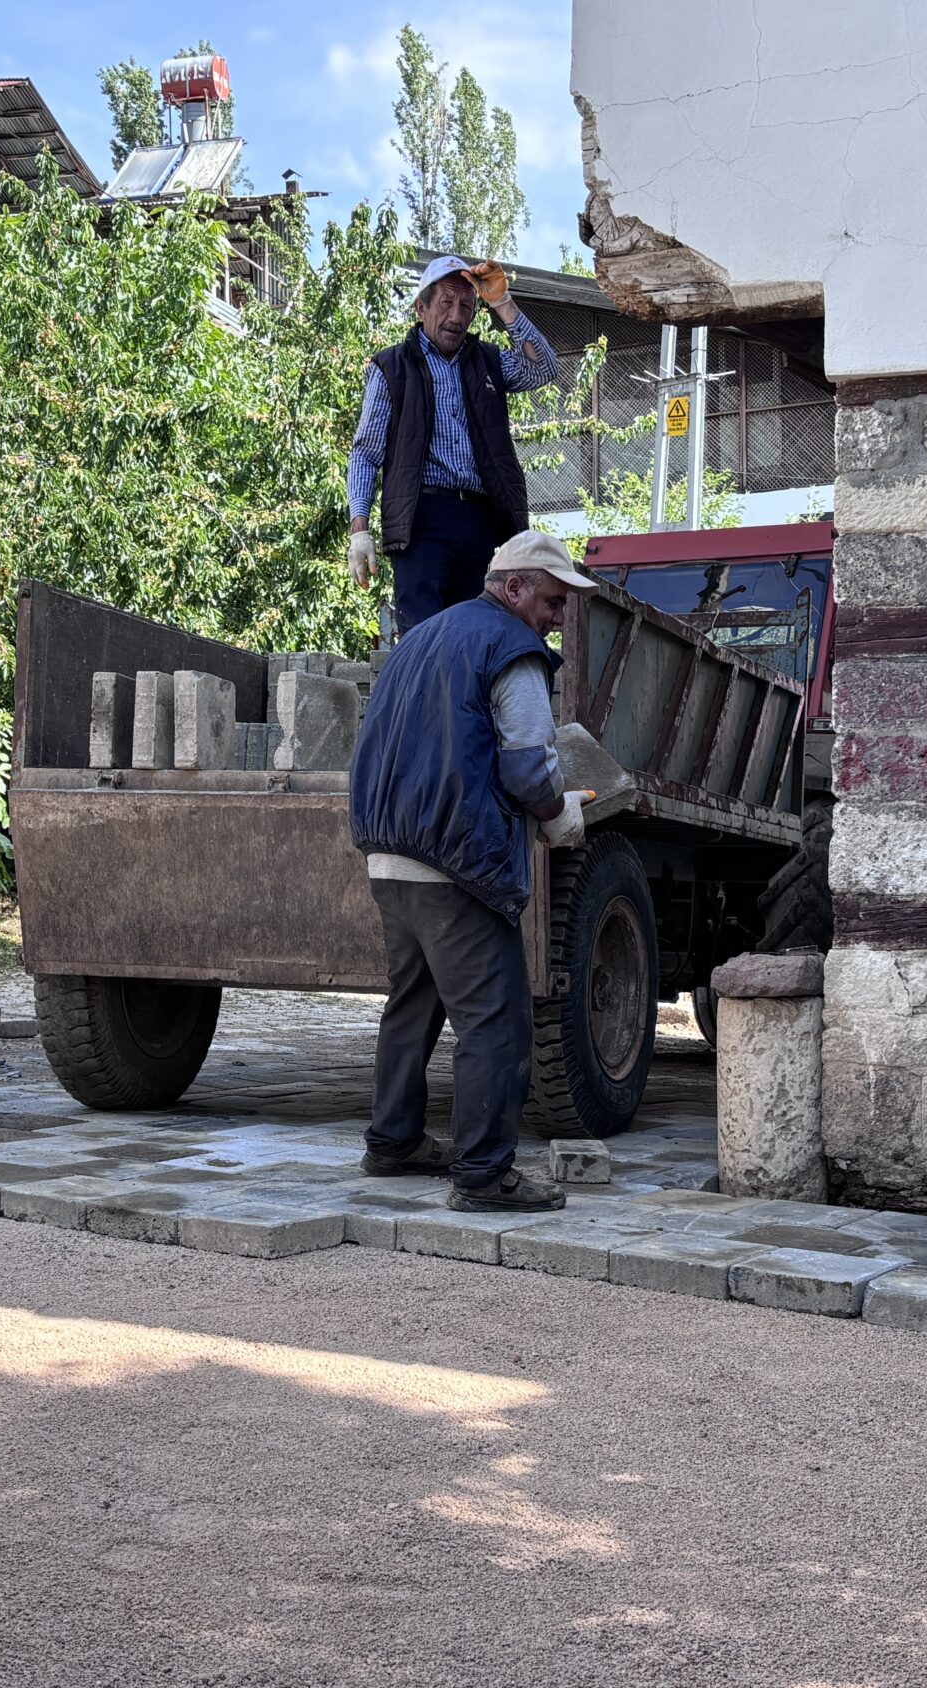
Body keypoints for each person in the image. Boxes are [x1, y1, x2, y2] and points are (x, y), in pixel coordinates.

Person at [351, 528, 594, 1213]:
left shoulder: (421, 639)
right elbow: (525, 765)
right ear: (513, 588)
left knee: (412, 1004)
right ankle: (484, 1174)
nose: (556, 618)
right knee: (497, 1020)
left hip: (389, 854)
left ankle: (393, 1140)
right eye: (552, 600)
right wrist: (558, 814)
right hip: (456, 859)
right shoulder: (514, 650)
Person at [346, 255, 559, 637]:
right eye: (446, 303)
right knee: (423, 637)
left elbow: (542, 368)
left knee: (472, 638)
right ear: (421, 307)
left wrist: (500, 301)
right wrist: (359, 530)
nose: (456, 317)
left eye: (466, 306)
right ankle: (420, 698)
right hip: (421, 517)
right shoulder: (391, 367)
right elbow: (365, 452)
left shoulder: (487, 362)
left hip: (479, 520)